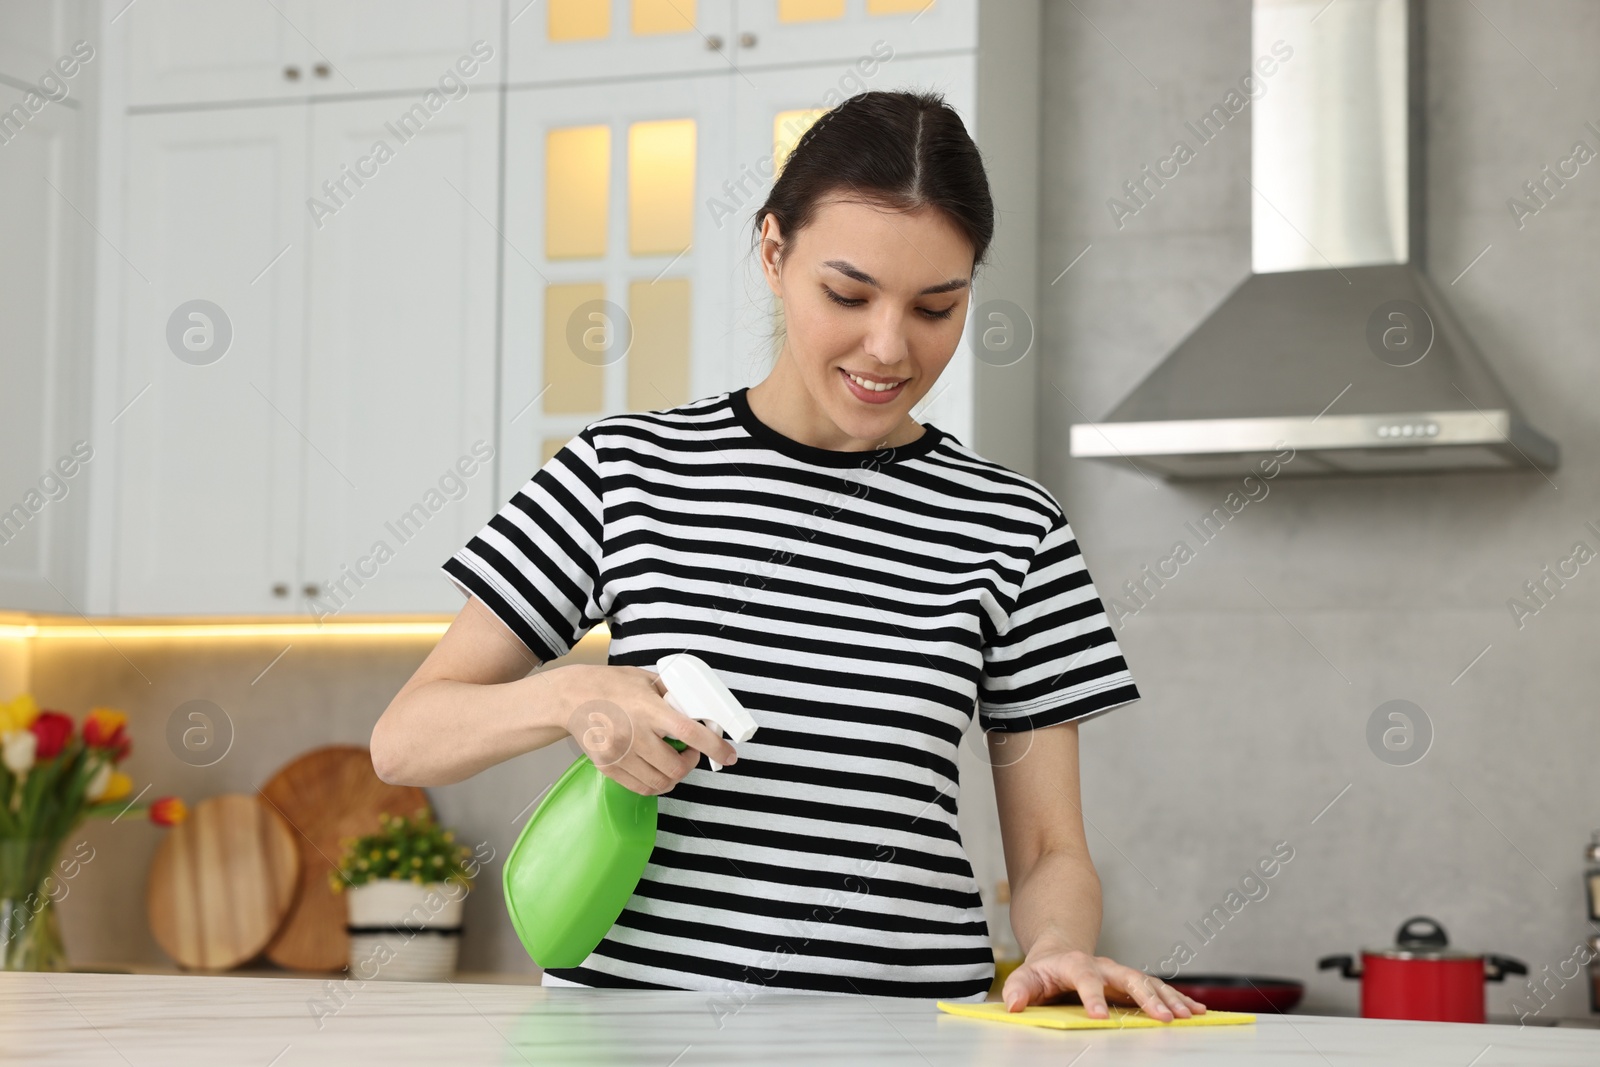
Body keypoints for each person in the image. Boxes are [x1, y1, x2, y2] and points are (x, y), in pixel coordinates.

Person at [372, 88, 1204, 1020]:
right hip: (635, 1031)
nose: (889, 347)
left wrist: (1055, 948)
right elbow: (405, 739)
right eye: (847, 294)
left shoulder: (1014, 525)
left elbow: (1052, 849)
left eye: (938, 306)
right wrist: (570, 694)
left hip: (905, 1034)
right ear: (773, 252)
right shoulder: (624, 471)